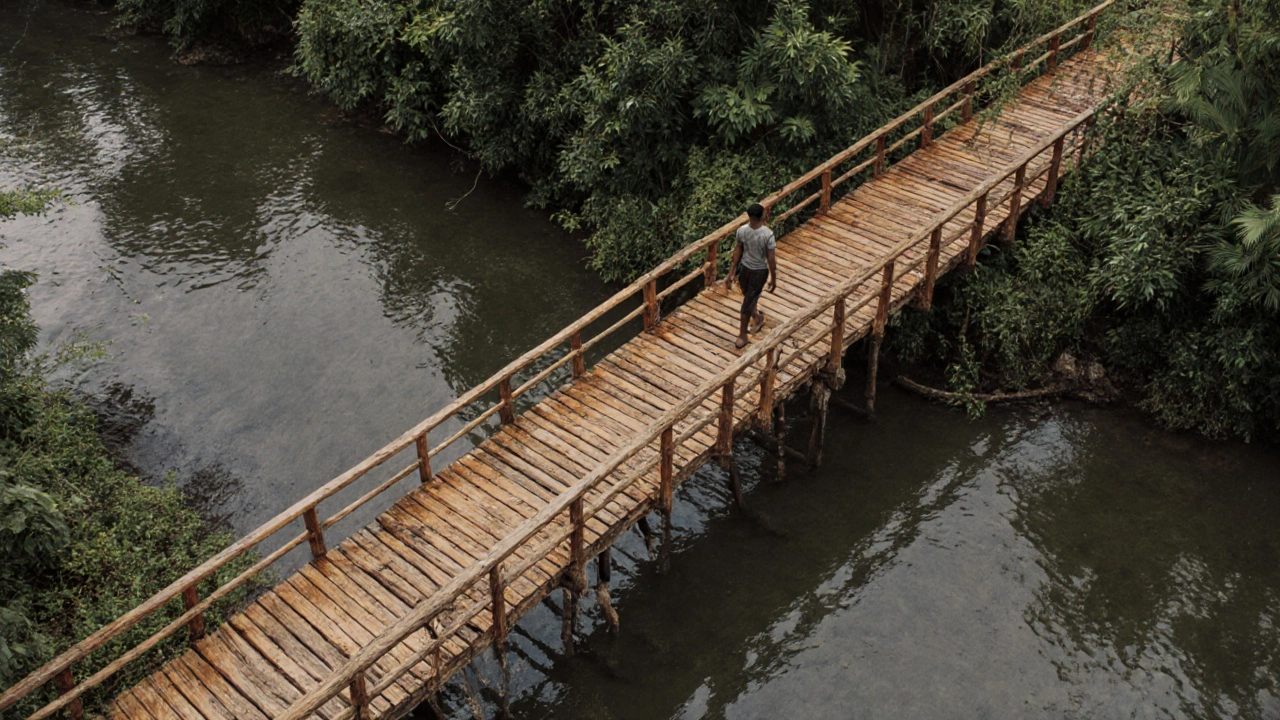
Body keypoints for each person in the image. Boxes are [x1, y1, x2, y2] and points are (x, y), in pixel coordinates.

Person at [724, 202, 777, 349]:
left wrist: (772, 277)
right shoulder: (746, 232)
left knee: (747, 303)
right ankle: (757, 317)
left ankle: (742, 335)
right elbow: (739, 250)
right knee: (748, 296)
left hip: (759, 271)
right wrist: (732, 272)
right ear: (761, 216)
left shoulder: (766, 234)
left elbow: (769, 258)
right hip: (746, 269)